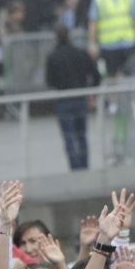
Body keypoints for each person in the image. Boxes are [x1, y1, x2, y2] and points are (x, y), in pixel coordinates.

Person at [44, 27, 97, 171]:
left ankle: (75, 167)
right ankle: (84, 165)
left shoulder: (53, 57)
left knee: (69, 137)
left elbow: (50, 81)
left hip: (63, 100)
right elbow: (95, 74)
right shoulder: (80, 53)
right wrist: (91, 91)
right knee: (82, 136)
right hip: (80, 98)